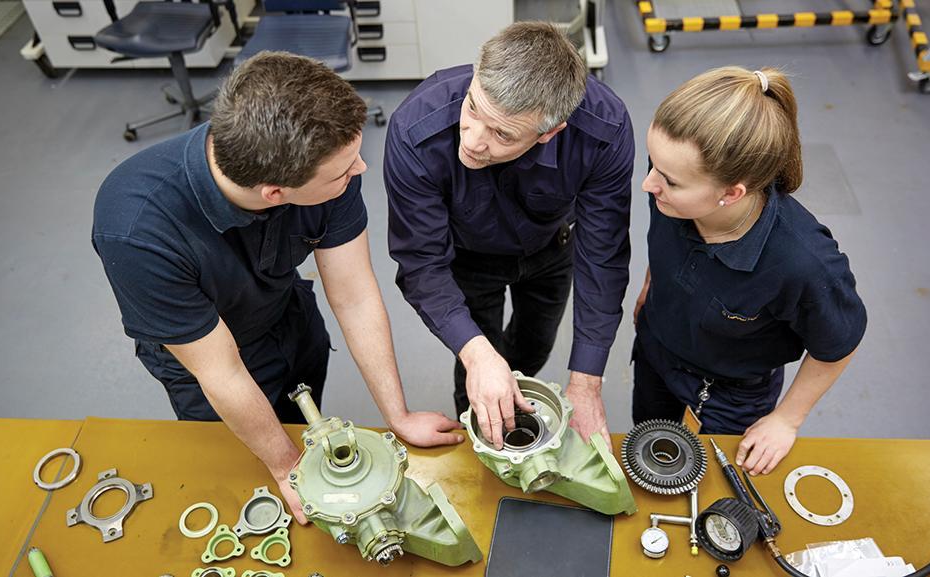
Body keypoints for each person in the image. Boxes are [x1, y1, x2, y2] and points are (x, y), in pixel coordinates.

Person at [92, 52, 463, 523]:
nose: (361, 169)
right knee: (248, 489)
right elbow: (222, 372)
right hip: (207, 367)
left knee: (302, 418)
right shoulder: (136, 228)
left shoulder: (326, 163)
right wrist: (288, 468)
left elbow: (353, 295)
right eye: (344, 171)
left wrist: (399, 416)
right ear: (275, 193)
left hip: (289, 320)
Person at [384, 22, 634, 451]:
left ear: (550, 132)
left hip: (552, 248)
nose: (473, 140)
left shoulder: (602, 130)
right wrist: (477, 354)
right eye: (473, 108)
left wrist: (586, 383)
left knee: (534, 345)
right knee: (477, 358)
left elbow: (603, 257)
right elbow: (422, 261)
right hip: (466, 259)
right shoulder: (416, 129)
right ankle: (481, 421)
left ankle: (512, 391)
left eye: (502, 134)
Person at [633, 66, 867, 475]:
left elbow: (839, 344)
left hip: (730, 394)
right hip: (658, 349)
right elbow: (666, 242)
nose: (648, 185)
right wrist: (651, 288)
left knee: (716, 479)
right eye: (652, 164)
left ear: (731, 192)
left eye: (668, 180)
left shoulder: (803, 263)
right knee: (648, 446)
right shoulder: (670, 187)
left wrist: (786, 419)